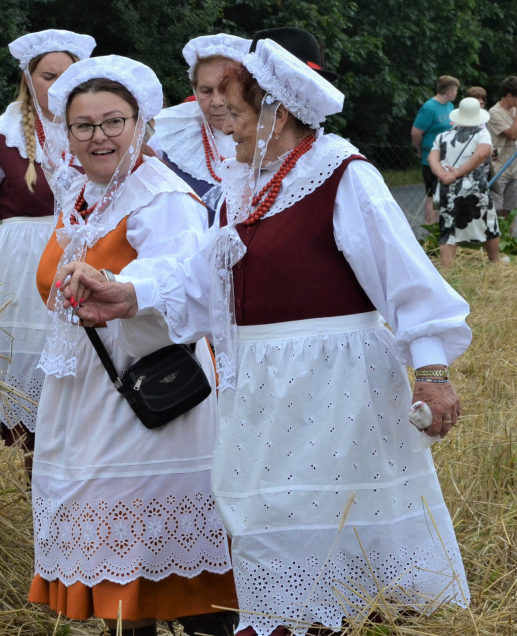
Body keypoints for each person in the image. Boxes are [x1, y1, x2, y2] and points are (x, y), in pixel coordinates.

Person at [60, 31, 472, 636]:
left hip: (336, 385)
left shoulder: (343, 175)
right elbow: (202, 281)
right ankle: (287, 620)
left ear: (277, 111)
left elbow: (404, 280)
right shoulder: (242, 189)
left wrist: (432, 374)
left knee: (333, 521)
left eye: (234, 109)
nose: (221, 122)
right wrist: (129, 294)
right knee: (265, 524)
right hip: (259, 387)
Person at [29, 55, 239, 636]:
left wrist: (126, 291)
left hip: (147, 396)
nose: (99, 137)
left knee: (170, 571)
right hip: (89, 394)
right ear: (66, 133)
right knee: (118, 570)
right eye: (83, 125)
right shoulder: (80, 192)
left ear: (139, 123)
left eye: (112, 122)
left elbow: (182, 282)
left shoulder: (161, 195)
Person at [0, 30, 95, 465]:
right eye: (48, 76)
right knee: (31, 371)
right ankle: (37, 479)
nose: (58, 85)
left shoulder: (92, 129)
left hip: (84, 260)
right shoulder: (1, 133)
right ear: (29, 79)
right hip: (21, 263)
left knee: (82, 371)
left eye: (68, 76)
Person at [148, 33, 249, 224]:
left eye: (226, 89)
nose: (217, 101)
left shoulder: (267, 138)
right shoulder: (169, 136)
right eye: (206, 91)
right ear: (195, 89)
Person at [429, 97, 501, 266]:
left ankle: (447, 271)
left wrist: (444, 176)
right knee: (488, 224)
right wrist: (459, 173)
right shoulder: (482, 134)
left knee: (448, 228)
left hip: (449, 188)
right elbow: (482, 154)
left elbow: (433, 158)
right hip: (475, 186)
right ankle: (495, 263)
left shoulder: (442, 137)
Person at [411, 75, 459, 224]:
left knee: (447, 195)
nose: (457, 93)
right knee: (434, 196)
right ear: (449, 92)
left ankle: (445, 229)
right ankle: (431, 231)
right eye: (456, 90)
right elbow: (416, 133)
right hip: (431, 159)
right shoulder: (429, 107)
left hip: (448, 159)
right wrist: (420, 150)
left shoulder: (449, 106)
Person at [487, 76, 517, 225]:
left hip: (514, 168)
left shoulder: (514, 110)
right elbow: (512, 134)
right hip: (499, 168)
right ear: (509, 95)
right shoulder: (494, 112)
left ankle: (509, 244)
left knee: (510, 212)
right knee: (497, 212)